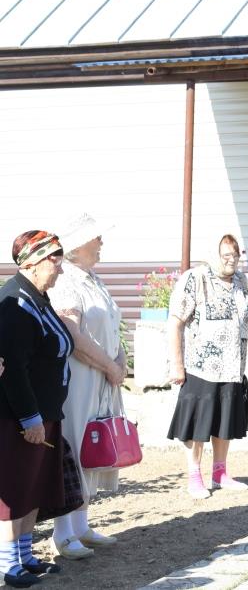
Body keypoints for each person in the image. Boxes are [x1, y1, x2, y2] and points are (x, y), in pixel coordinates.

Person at [47, 214, 127, 559]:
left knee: (94, 446)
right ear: (78, 245)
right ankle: (63, 532)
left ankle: (81, 524)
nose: (101, 243)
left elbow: (111, 326)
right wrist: (110, 365)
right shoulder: (66, 282)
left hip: (103, 377)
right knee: (77, 443)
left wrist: (121, 360)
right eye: (96, 238)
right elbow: (74, 336)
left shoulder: (94, 280)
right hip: (80, 378)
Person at [0, 231, 72, 587]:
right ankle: (6, 564)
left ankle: (25, 555)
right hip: (22, 416)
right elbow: (13, 368)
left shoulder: (37, 297)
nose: (60, 267)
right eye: (54, 260)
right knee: (16, 488)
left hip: (46, 411)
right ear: (32, 262)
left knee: (33, 487)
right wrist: (30, 418)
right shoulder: (15, 302)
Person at [167, 234, 248, 499]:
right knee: (198, 424)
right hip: (201, 367)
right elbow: (175, 322)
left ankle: (220, 473)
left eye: (235, 255)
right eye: (226, 256)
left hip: (232, 366)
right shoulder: (196, 279)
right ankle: (194, 475)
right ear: (213, 255)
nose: (232, 261)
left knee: (225, 421)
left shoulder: (241, 281)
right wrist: (177, 364)